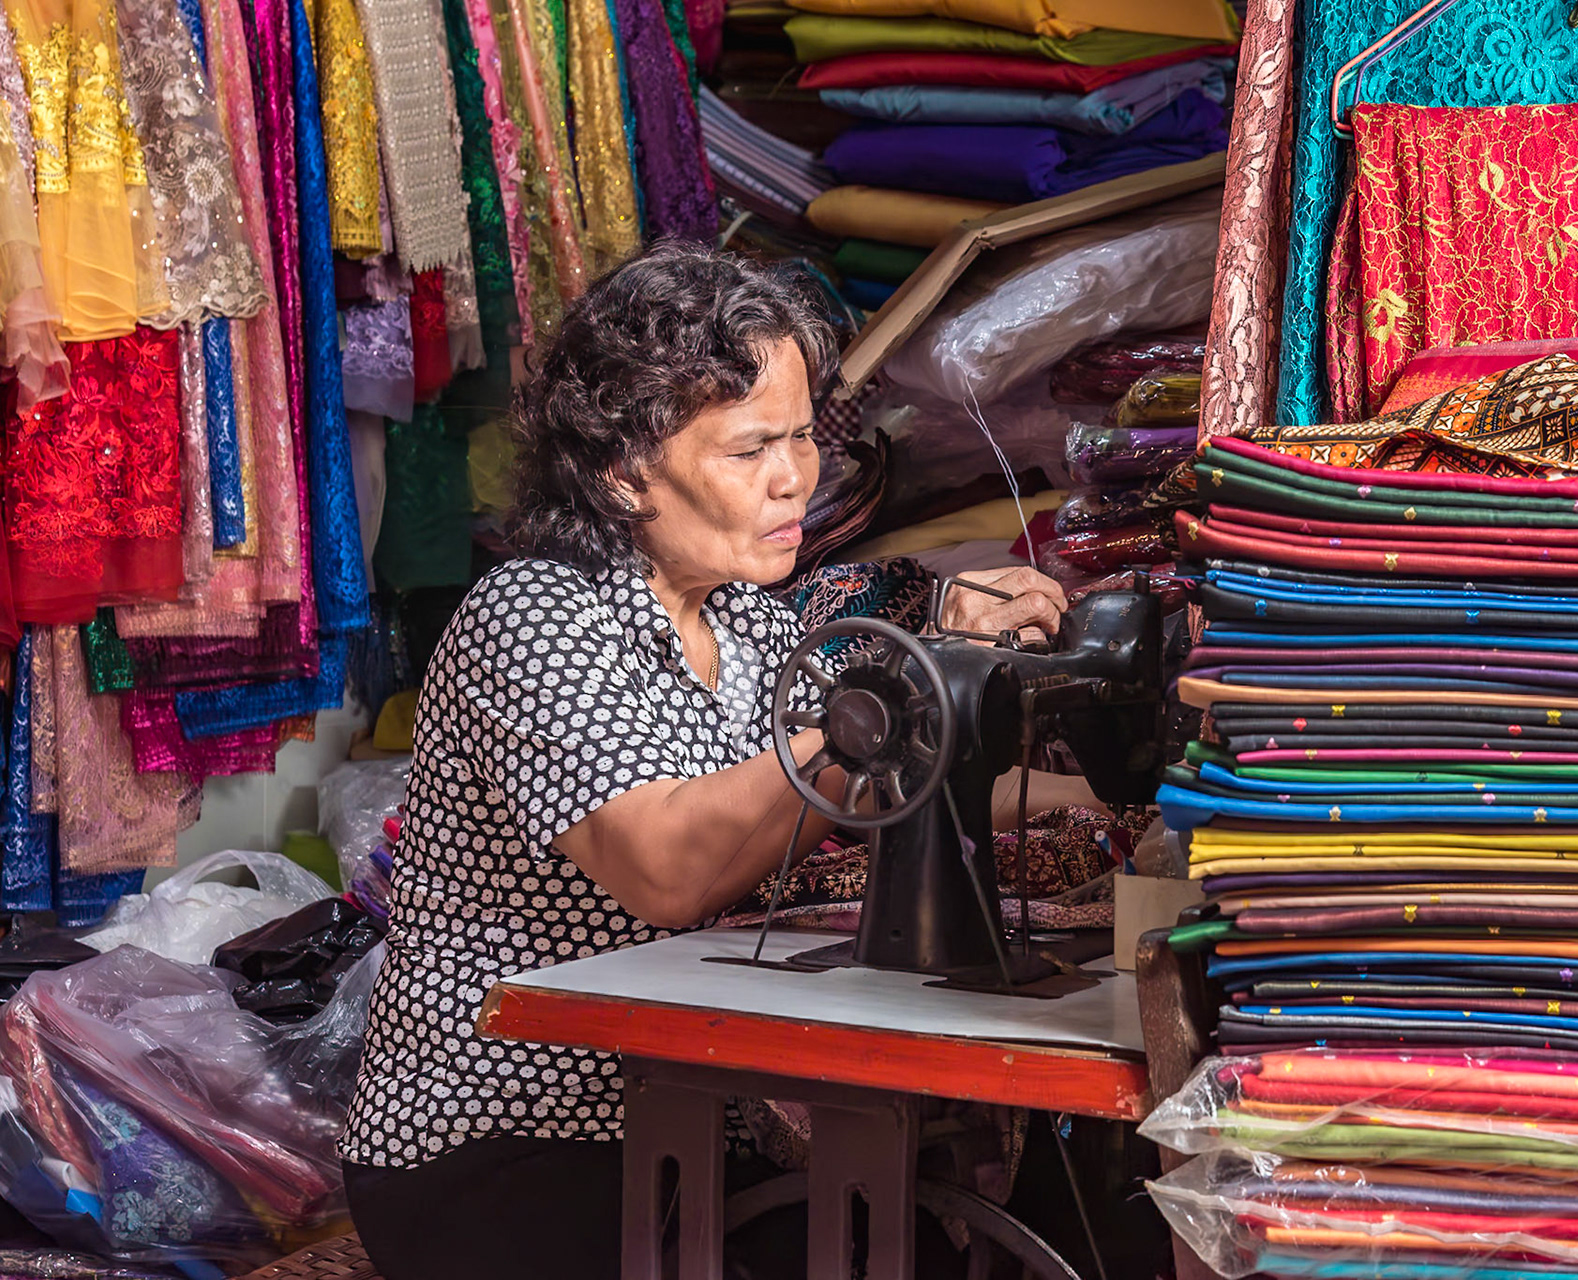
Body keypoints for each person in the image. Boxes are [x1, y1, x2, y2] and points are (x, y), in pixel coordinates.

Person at [337, 244, 1074, 1280]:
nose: (797, 478)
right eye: (749, 449)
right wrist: (903, 690)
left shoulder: (751, 627)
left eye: (804, 435)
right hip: (508, 1136)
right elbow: (670, 862)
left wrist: (1139, 813)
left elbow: (890, 773)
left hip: (685, 1118)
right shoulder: (531, 616)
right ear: (621, 466)